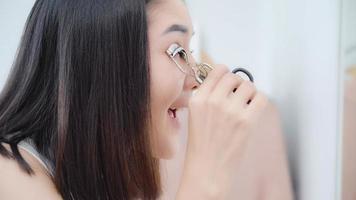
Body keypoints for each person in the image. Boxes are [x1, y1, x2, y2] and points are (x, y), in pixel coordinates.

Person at [0, 0, 268, 199]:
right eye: (176, 50)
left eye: (190, 51)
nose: (195, 79)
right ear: (105, 59)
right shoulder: (7, 173)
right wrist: (208, 177)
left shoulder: (115, 172)